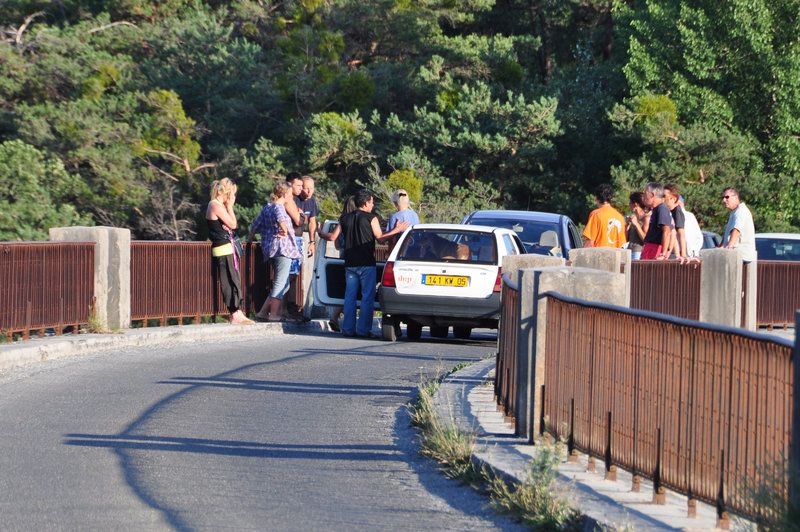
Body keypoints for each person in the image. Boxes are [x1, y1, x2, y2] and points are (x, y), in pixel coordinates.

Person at [321, 189, 409, 338]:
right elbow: (380, 238)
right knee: (366, 297)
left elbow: (332, 237)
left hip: (350, 264)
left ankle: (348, 329)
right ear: (367, 203)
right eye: (372, 202)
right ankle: (363, 330)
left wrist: (319, 233)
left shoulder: (344, 218)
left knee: (349, 297)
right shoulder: (371, 218)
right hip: (367, 263)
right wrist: (396, 230)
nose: (373, 206)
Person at [247, 181, 302, 322]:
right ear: (285, 194)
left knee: (284, 283)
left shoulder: (267, 207)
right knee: (280, 283)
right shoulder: (279, 207)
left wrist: (249, 240)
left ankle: (263, 313)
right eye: (290, 194)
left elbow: (255, 226)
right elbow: (281, 218)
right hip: (282, 250)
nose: (291, 197)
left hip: (270, 249)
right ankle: (274, 315)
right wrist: (284, 231)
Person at [206, 178, 253, 324]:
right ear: (227, 193)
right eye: (232, 194)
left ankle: (238, 311)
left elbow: (232, 225)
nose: (233, 198)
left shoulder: (219, 205)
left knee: (235, 280)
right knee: (230, 281)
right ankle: (234, 313)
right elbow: (233, 223)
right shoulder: (215, 205)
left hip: (228, 248)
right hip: (223, 249)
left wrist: (228, 209)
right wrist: (230, 207)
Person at [318, 195, 356, 332]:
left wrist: (321, 233)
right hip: (359, 258)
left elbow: (337, 244)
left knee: (347, 289)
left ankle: (336, 317)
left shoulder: (342, 221)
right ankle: (344, 320)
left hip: (345, 256)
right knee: (354, 290)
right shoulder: (359, 220)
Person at [582, 183, 627, 248]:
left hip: (599, 255)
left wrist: (581, 256)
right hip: (615, 256)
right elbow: (622, 244)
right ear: (611, 198)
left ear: (597, 198)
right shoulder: (620, 217)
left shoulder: (596, 215)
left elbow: (590, 242)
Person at [722, 187, 757, 263]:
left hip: (741, 257)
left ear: (736, 197)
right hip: (738, 256)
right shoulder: (735, 212)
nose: (724, 200)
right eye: (723, 197)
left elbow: (737, 230)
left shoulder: (741, 211)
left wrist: (730, 247)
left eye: (727, 197)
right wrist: (721, 245)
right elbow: (729, 233)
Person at [641, 182, 673, 260]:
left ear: (653, 195)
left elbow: (667, 231)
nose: (643, 196)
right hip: (650, 249)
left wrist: (662, 254)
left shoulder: (662, 209)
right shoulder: (656, 209)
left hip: (655, 250)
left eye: (645, 193)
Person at [662, 183, 687, 262]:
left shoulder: (677, 212)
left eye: (665, 197)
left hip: (675, 254)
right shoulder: (667, 211)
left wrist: (683, 254)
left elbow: (681, 234)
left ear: (674, 199)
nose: (662, 199)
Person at [626, 191, 649, 260]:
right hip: (629, 251)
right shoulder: (634, 218)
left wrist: (636, 224)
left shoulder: (646, 218)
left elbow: (645, 239)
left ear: (635, 204)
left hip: (638, 252)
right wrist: (627, 225)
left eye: (630, 203)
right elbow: (627, 238)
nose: (629, 205)